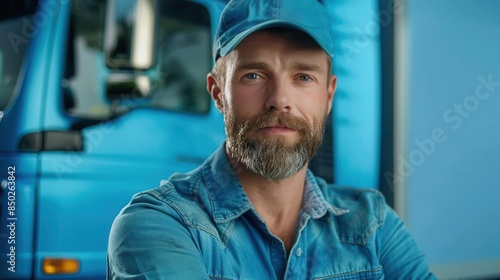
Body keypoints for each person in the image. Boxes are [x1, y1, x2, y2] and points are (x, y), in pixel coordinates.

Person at [107, 0, 436, 279]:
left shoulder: (373, 223)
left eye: (303, 76)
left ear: (329, 95)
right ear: (218, 93)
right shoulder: (157, 225)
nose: (280, 99)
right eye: (254, 75)